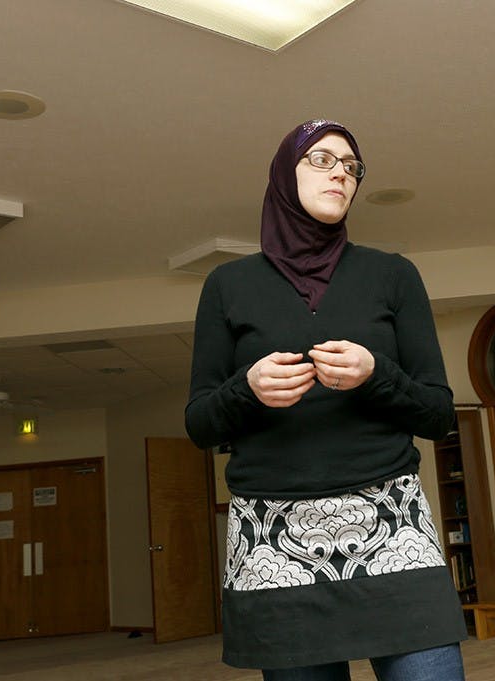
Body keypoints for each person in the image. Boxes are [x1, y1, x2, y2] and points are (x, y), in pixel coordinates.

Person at [186, 119, 467, 680]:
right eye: (320, 159)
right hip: (274, 535)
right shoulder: (227, 285)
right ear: (283, 178)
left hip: (391, 524)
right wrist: (248, 389)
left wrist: (375, 373)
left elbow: (437, 413)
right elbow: (199, 423)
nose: (340, 172)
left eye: (351, 165)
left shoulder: (393, 275)